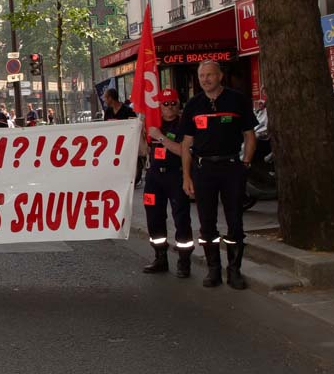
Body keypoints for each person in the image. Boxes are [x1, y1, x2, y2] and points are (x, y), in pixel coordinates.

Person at [181, 60, 257, 289]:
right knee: (206, 222)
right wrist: (186, 176)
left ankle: (234, 271)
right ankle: (213, 269)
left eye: (210, 75)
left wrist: (245, 163)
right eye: (202, 75)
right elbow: (186, 144)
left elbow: (250, 135)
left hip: (231, 167)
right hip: (203, 170)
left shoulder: (237, 100)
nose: (205, 79)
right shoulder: (194, 105)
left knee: (235, 220)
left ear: (220, 76)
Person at [142, 89, 194, 278]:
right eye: (166, 103)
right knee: (154, 217)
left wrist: (161, 138)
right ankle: (160, 257)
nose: (170, 107)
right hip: (154, 177)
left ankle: (184, 261)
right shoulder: (154, 124)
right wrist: (141, 131)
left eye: (174, 103)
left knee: (181, 218)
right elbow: (142, 150)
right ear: (159, 106)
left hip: (176, 175)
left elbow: (183, 151)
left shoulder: (184, 125)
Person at [104, 88, 146, 186]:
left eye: (105, 98)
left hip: (127, 144)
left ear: (111, 98)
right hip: (113, 144)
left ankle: (132, 179)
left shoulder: (127, 110)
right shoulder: (108, 111)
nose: (104, 100)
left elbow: (134, 124)